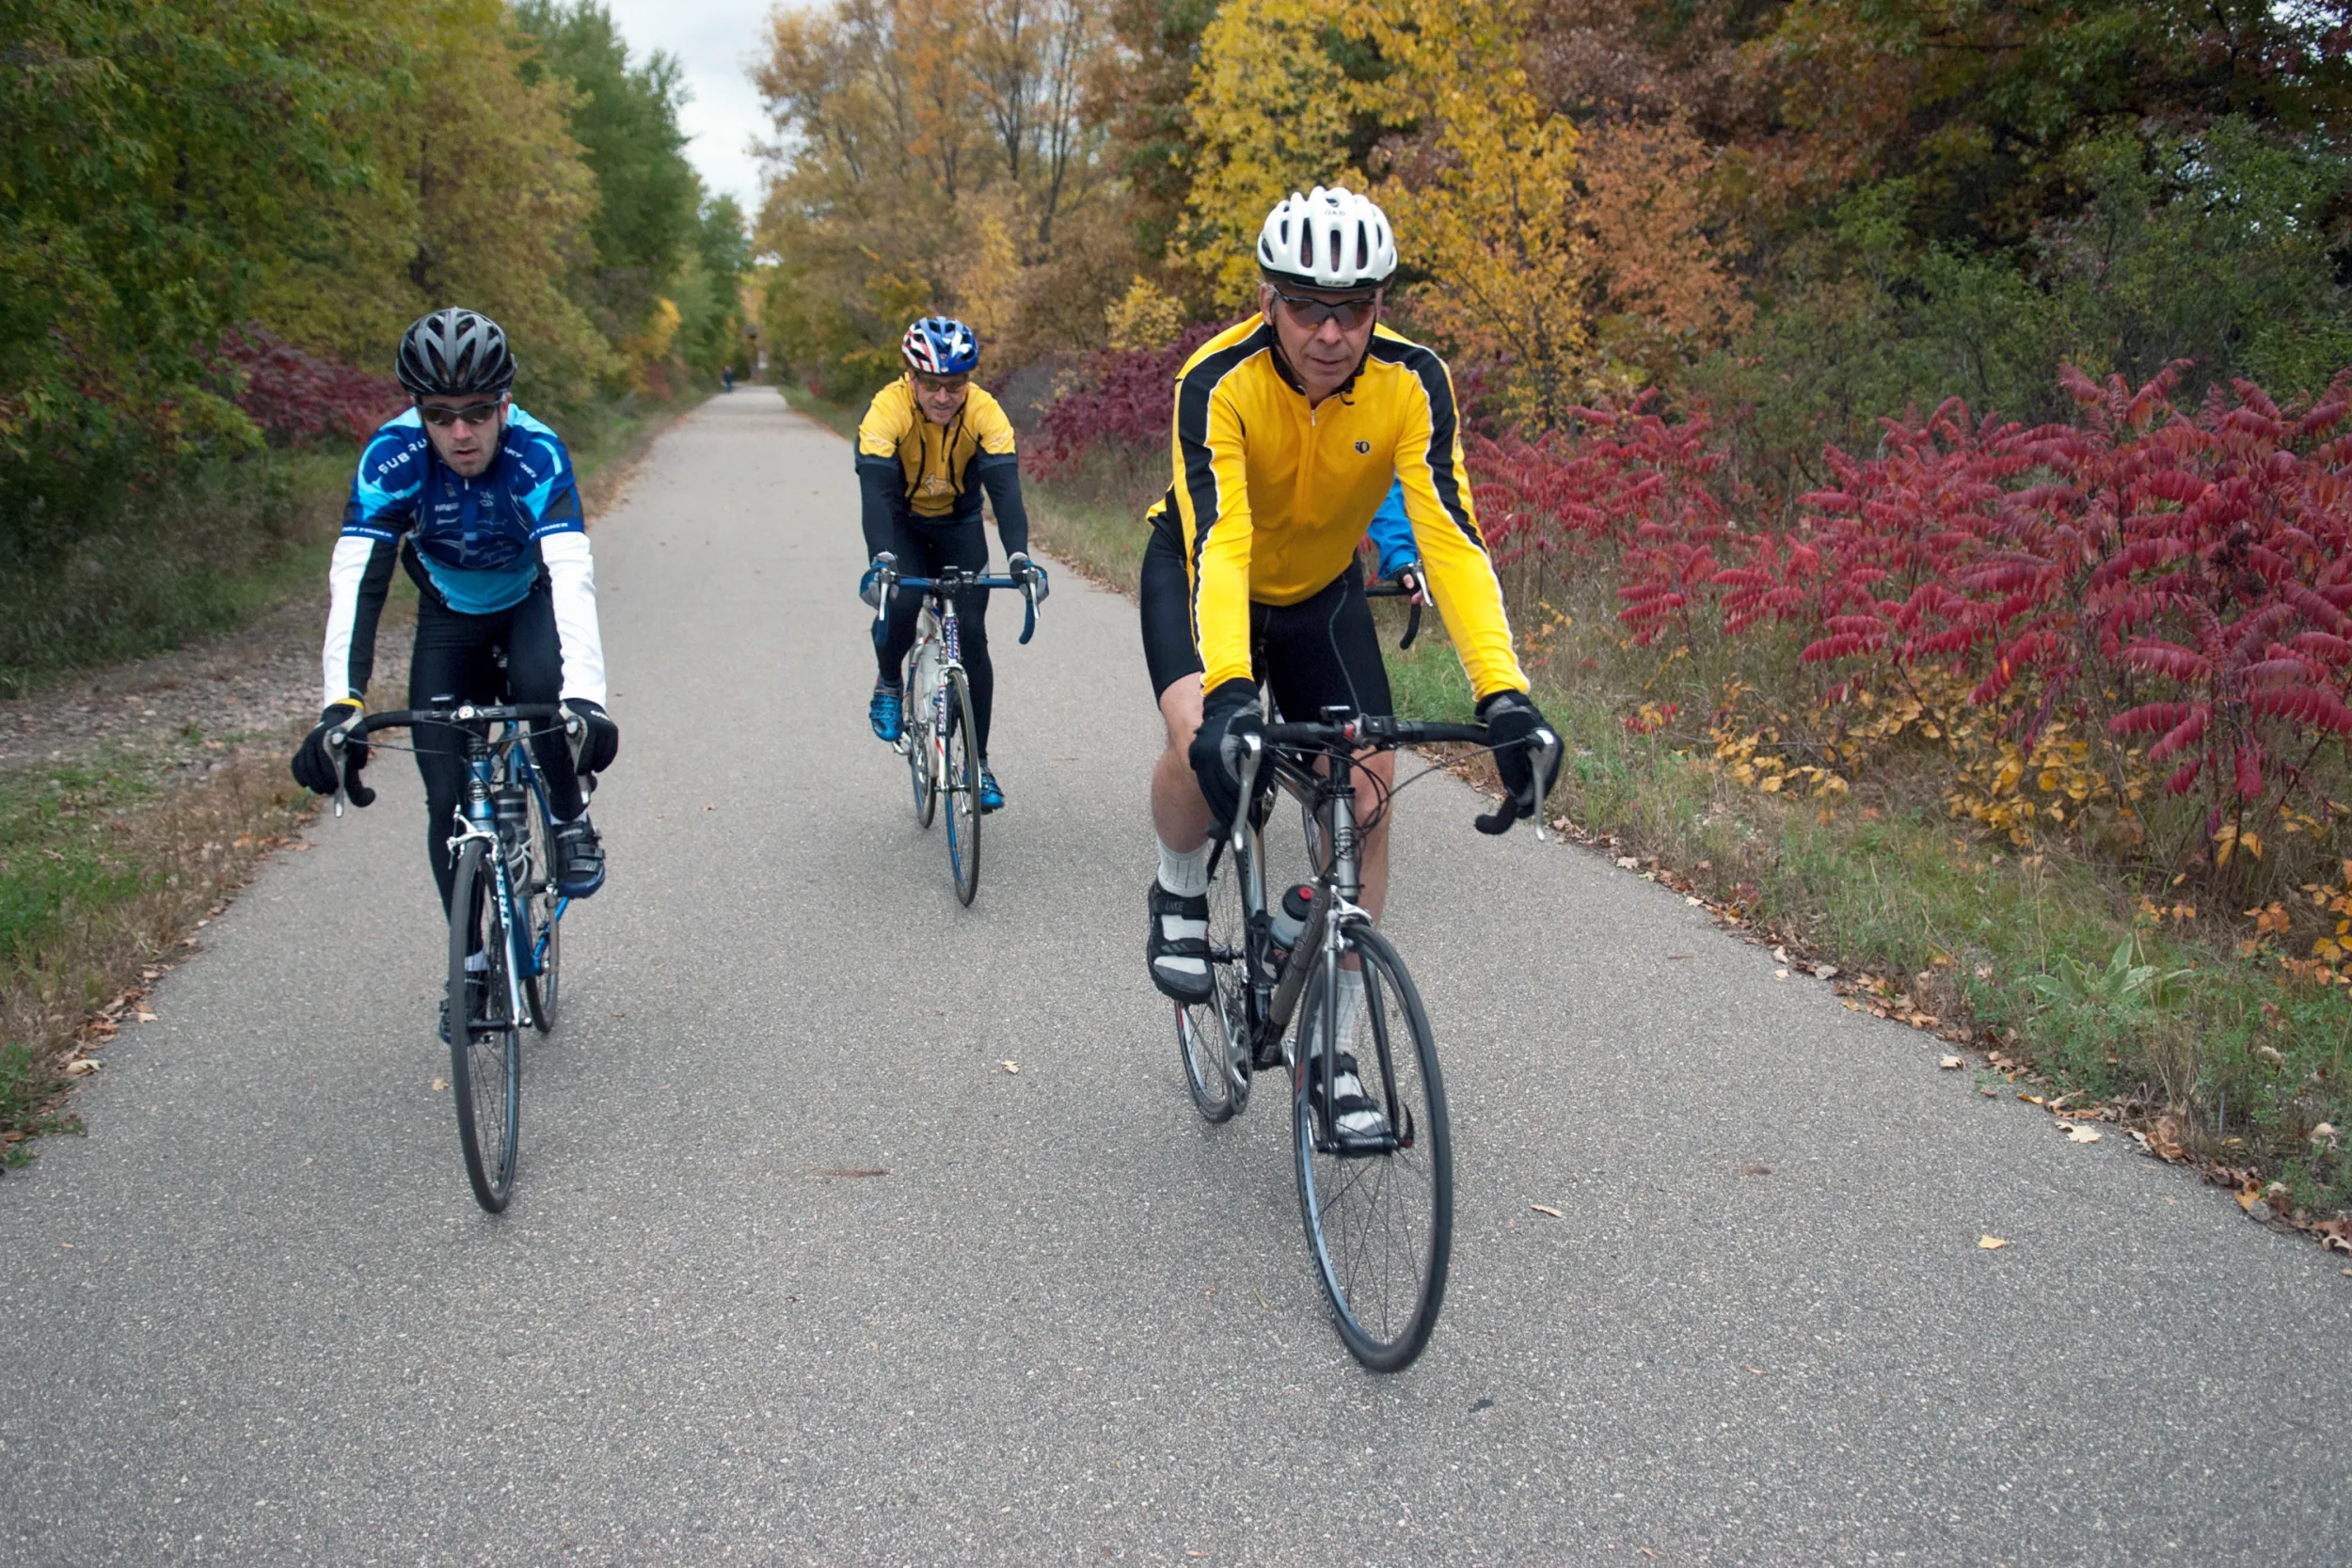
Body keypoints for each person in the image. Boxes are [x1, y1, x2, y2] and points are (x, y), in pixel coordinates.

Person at [1137, 185, 1560, 1125]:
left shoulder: (1413, 380)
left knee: (1367, 788)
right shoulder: (1217, 380)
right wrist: (1233, 690)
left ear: (1379, 304)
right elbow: (1224, 541)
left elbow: (1450, 537)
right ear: (1268, 299)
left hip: (1322, 590)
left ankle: (1331, 1055)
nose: (1331, 332)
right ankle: (1178, 888)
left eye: (1354, 308)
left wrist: (1503, 695)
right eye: (1306, 307)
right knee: (1201, 740)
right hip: (1203, 568)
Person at [289, 308, 619, 1040]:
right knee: (445, 800)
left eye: (477, 412)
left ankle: (568, 816)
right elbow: (358, 581)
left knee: (543, 700)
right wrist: (340, 706)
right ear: (418, 411)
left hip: (529, 601)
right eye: (440, 416)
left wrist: (586, 701)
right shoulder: (393, 458)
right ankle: (468, 963)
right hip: (448, 617)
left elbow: (572, 576)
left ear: (505, 404)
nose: (460, 433)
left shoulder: (536, 453)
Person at [856, 315, 1045, 813]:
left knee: (974, 638)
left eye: (956, 384)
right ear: (912, 378)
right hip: (902, 524)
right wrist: (881, 559)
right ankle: (889, 681)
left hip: (959, 526)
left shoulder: (985, 412)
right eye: (932, 384)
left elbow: (1006, 493)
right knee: (902, 602)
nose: (944, 396)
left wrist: (1019, 556)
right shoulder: (887, 409)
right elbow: (875, 494)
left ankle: (977, 765)